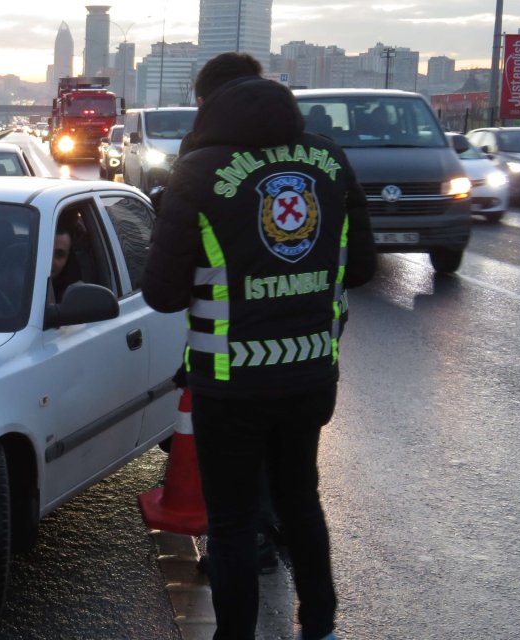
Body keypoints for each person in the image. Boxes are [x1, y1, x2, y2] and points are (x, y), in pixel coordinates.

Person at [142, 52, 376, 640]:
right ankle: (319, 625)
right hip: (310, 375)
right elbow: (365, 268)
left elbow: (164, 294)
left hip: (230, 383)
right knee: (301, 501)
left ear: (207, 103)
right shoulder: (329, 157)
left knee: (232, 521)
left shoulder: (198, 171)